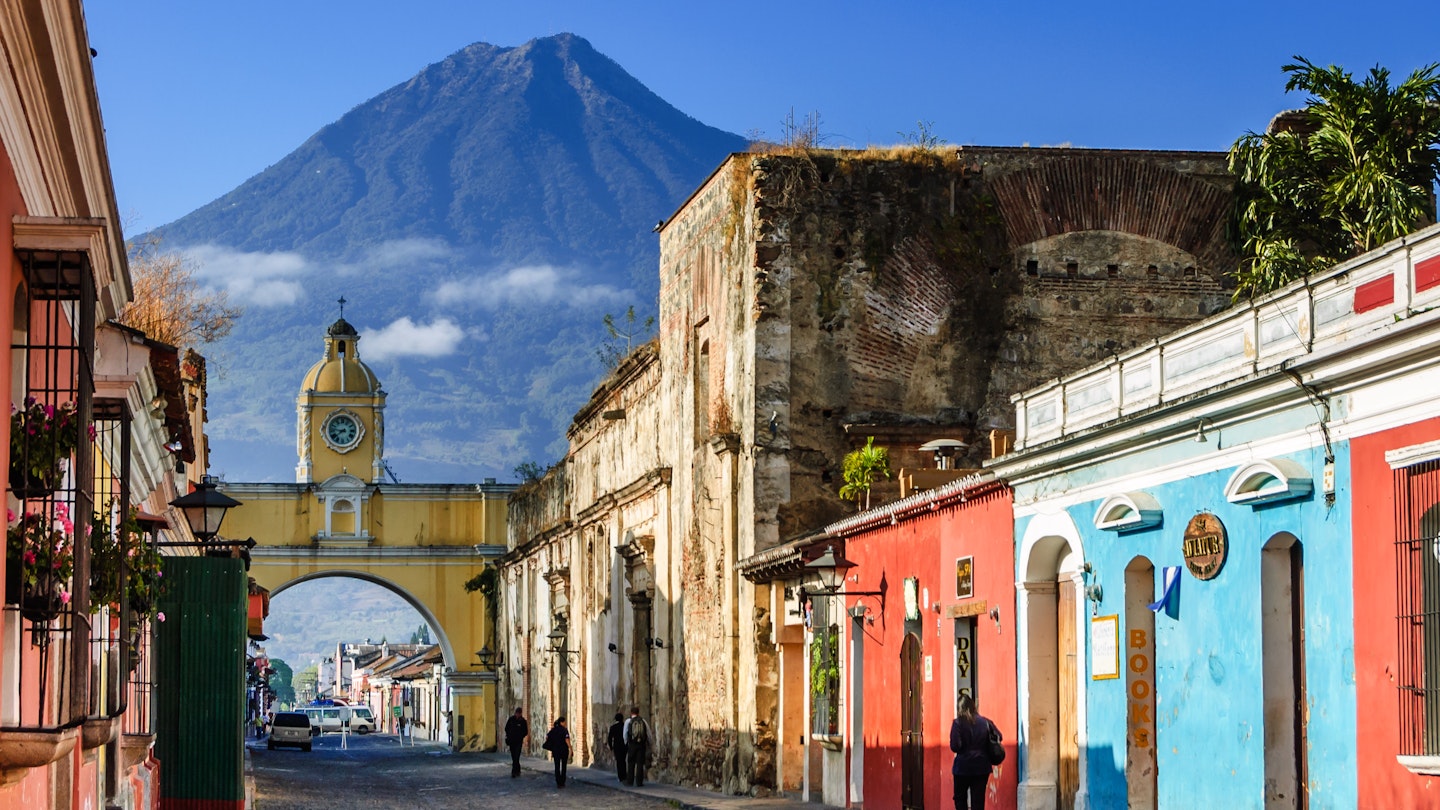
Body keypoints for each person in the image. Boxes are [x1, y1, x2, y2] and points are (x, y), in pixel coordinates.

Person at [950, 693, 1000, 810]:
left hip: (962, 768)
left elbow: (955, 746)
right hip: (982, 766)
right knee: (978, 800)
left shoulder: (957, 723)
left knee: (960, 799)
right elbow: (998, 736)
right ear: (973, 706)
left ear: (959, 708)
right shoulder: (985, 722)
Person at [624, 706, 651, 786]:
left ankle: (630, 781)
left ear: (631, 713)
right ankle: (639, 782)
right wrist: (649, 743)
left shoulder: (628, 721)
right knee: (640, 763)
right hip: (641, 745)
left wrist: (626, 743)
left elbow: (625, 733)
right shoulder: (643, 721)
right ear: (638, 713)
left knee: (631, 763)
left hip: (632, 745)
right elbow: (648, 733)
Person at [543, 716, 571, 788]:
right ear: (562, 722)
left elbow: (547, 736)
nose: (565, 723)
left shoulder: (553, 730)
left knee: (557, 766)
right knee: (564, 766)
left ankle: (558, 782)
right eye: (564, 722)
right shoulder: (564, 730)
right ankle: (562, 781)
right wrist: (571, 748)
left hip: (556, 750)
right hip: (564, 750)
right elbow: (567, 740)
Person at [503, 707, 529, 778]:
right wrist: (509, 735)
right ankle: (517, 769)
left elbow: (525, 731)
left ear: (520, 714)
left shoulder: (523, 721)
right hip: (511, 741)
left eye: (519, 713)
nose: (517, 715)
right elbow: (506, 728)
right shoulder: (511, 719)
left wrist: (521, 736)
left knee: (517, 756)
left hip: (518, 741)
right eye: (517, 713)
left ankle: (514, 771)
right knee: (513, 756)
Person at [607, 711, 630, 784]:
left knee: (619, 761)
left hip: (617, 746)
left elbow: (609, 738)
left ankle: (620, 776)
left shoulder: (613, 727)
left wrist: (611, 747)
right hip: (624, 745)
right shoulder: (624, 726)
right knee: (623, 760)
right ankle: (624, 775)